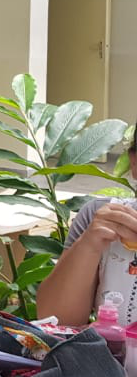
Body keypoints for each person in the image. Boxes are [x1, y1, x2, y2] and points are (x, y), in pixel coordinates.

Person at [38, 131, 137, 326]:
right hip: (108, 357)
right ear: (134, 162)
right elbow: (57, 320)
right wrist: (89, 245)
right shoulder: (103, 219)